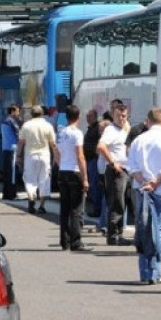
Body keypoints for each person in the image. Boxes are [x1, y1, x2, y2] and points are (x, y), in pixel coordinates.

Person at [126, 108, 161, 284]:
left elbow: (131, 166)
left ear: (148, 121)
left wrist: (144, 182)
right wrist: (155, 182)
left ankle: (145, 272)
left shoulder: (138, 140)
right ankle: (156, 271)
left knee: (143, 228)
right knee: (160, 230)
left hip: (142, 190)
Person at [56, 104, 92, 252]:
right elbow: (80, 156)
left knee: (65, 208)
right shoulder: (77, 133)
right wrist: (85, 178)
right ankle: (76, 242)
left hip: (62, 171)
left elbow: (57, 154)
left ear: (66, 117)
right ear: (79, 117)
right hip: (74, 171)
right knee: (76, 209)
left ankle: (64, 241)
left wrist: (61, 165)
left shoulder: (61, 133)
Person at [97, 101, 132, 246]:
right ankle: (113, 236)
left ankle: (118, 234)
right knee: (117, 203)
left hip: (125, 170)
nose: (122, 118)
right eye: (118, 116)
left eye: (124, 116)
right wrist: (112, 163)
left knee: (122, 203)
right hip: (116, 171)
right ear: (113, 115)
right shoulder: (111, 130)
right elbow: (101, 146)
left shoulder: (123, 130)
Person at [18, 105, 58, 214]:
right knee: (44, 179)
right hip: (45, 155)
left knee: (30, 179)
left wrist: (18, 156)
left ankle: (31, 199)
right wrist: (56, 157)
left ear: (31, 114)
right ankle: (42, 205)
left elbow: (21, 142)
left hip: (30, 155)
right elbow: (53, 144)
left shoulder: (26, 125)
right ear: (42, 114)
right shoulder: (48, 126)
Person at [83, 109, 103, 218]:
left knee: (95, 186)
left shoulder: (97, 128)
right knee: (92, 185)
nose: (88, 118)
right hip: (90, 159)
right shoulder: (91, 128)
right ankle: (95, 207)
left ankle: (97, 208)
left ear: (95, 117)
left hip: (94, 159)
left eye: (90, 116)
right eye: (87, 116)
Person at [0, 104, 21, 201]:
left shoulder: (4, 121)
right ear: (12, 111)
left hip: (5, 149)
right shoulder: (11, 122)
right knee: (13, 173)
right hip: (12, 149)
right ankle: (12, 194)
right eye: (17, 111)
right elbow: (18, 135)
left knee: (7, 173)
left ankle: (6, 193)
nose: (18, 113)